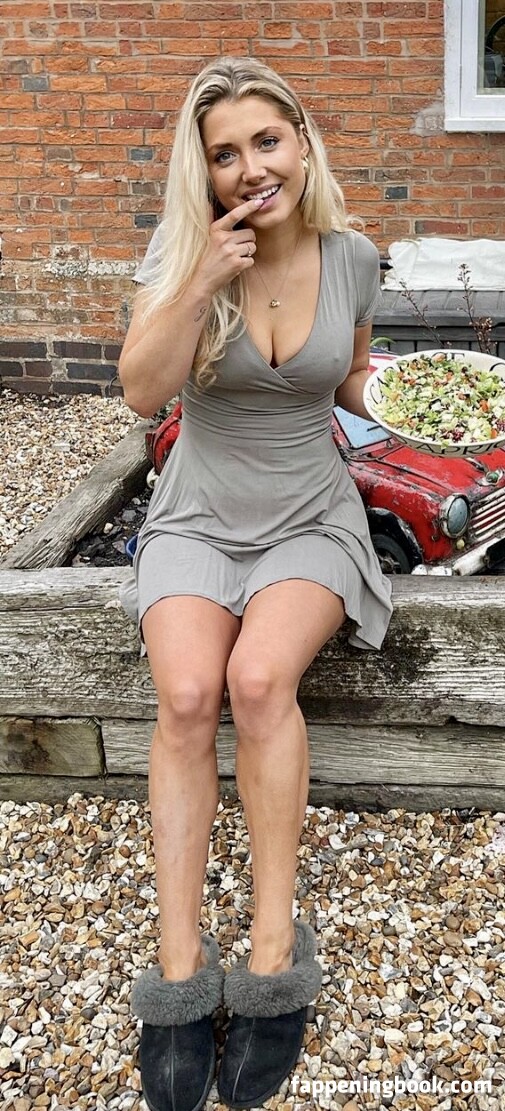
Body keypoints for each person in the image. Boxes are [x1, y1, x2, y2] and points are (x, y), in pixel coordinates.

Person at [118, 55, 393, 1111]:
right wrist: (200, 280)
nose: (250, 169)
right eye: (224, 154)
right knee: (188, 693)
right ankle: (180, 965)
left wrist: (422, 400)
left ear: (301, 143)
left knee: (259, 681)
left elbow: (351, 375)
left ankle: (273, 947)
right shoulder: (181, 254)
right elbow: (142, 393)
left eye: (265, 142)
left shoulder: (353, 255)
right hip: (199, 508)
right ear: (205, 171)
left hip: (308, 513)